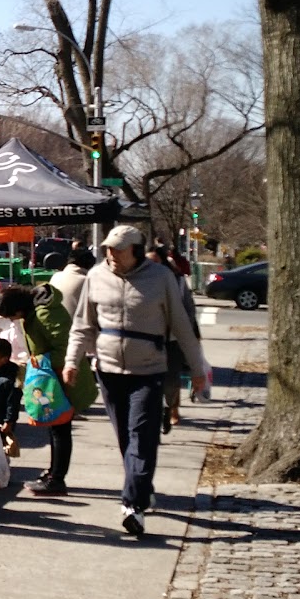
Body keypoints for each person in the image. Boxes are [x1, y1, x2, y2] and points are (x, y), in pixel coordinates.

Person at [64, 224, 207, 538]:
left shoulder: (161, 279)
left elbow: (183, 327)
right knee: (126, 440)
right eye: (108, 250)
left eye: (118, 249)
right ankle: (142, 487)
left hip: (149, 369)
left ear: (136, 250)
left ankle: (133, 505)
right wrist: (72, 361)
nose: (111, 255)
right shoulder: (96, 277)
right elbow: (82, 325)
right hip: (108, 369)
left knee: (141, 435)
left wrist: (198, 369)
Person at [0, 282, 97, 496]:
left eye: (10, 316)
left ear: (18, 308)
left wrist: (42, 364)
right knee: (55, 426)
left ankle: (57, 479)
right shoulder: (33, 313)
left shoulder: (43, 315)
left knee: (60, 428)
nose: (11, 320)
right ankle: (53, 473)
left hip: (61, 377)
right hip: (52, 376)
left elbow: (65, 347)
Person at [152, 244, 202, 431]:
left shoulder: (177, 280)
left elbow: (189, 308)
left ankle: (172, 408)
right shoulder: (139, 281)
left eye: (155, 261)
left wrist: (191, 332)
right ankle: (157, 412)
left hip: (173, 338)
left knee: (172, 378)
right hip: (148, 339)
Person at [48, 246, 97, 319]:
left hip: (52, 324)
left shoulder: (56, 276)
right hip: (75, 328)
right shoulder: (87, 281)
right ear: (90, 265)